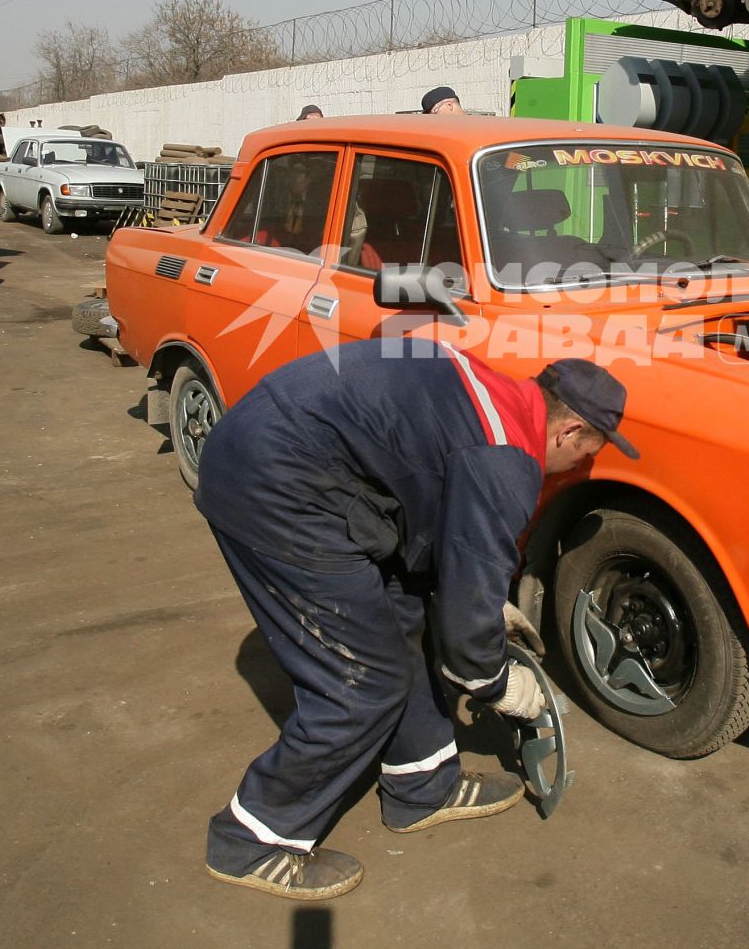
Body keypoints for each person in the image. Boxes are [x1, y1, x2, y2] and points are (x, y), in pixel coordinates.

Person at [194, 343, 638, 900]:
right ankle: (252, 839)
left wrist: (476, 602)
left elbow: (441, 529)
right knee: (360, 685)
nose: (572, 470)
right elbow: (467, 619)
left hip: (294, 451)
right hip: (274, 483)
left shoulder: (491, 392)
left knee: (404, 615)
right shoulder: (504, 454)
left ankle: (421, 784)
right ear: (569, 430)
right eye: (581, 458)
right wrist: (498, 681)